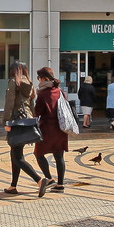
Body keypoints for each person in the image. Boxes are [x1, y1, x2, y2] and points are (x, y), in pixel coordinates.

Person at [3, 65, 42, 195]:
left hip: (16, 121)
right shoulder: (29, 84)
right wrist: (33, 122)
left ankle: (40, 181)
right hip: (26, 121)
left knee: (17, 156)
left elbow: (10, 102)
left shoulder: (14, 82)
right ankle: (13, 186)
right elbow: (32, 105)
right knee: (16, 154)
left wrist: (6, 121)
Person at [32, 67, 70, 196]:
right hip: (61, 128)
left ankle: (49, 179)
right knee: (59, 156)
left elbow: (37, 112)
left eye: (39, 78)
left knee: (38, 153)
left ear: (44, 78)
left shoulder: (42, 94)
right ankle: (60, 184)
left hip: (47, 128)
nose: (38, 80)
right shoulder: (60, 91)